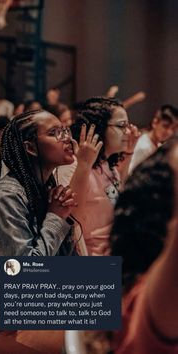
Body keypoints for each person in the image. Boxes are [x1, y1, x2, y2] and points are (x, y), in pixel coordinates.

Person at [0, 110, 78, 354]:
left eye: (65, 130)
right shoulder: (5, 197)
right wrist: (56, 218)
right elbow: (26, 275)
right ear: (31, 148)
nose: (66, 138)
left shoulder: (46, 190)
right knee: (104, 338)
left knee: (125, 308)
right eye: (54, 133)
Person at [83, 135, 178, 354]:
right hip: (95, 262)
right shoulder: (82, 172)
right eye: (120, 125)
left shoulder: (112, 170)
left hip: (108, 260)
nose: (128, 131)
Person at [56, 97, 139, 255]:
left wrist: (128, 152)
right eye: (122, 126)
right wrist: (84, 166)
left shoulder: (105, 164)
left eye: (128, 125)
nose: (128, 132)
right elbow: (71, 220)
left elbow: (118, 194)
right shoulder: (73, 165)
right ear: (100, 128)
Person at [129, 104, 178, 173]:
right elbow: (129, 173)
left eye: (173, 129)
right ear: (155, 123)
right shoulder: (143, 146)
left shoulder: (158, 145)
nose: (169, 132)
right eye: (165, 126)